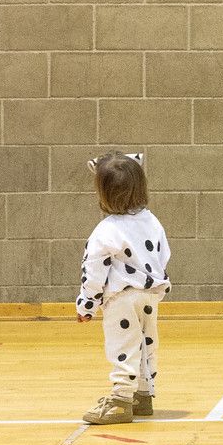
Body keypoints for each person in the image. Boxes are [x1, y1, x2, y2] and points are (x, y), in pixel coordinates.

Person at [73, 152, 170, 426]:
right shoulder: (151, 221)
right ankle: (143, 394)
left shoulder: (106, 230)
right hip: (151, 294)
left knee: (123, 346)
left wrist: (86, 305)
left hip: (122, 298)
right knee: (145, 342)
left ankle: (120, 400)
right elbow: (163, 256)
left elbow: (93, 272)